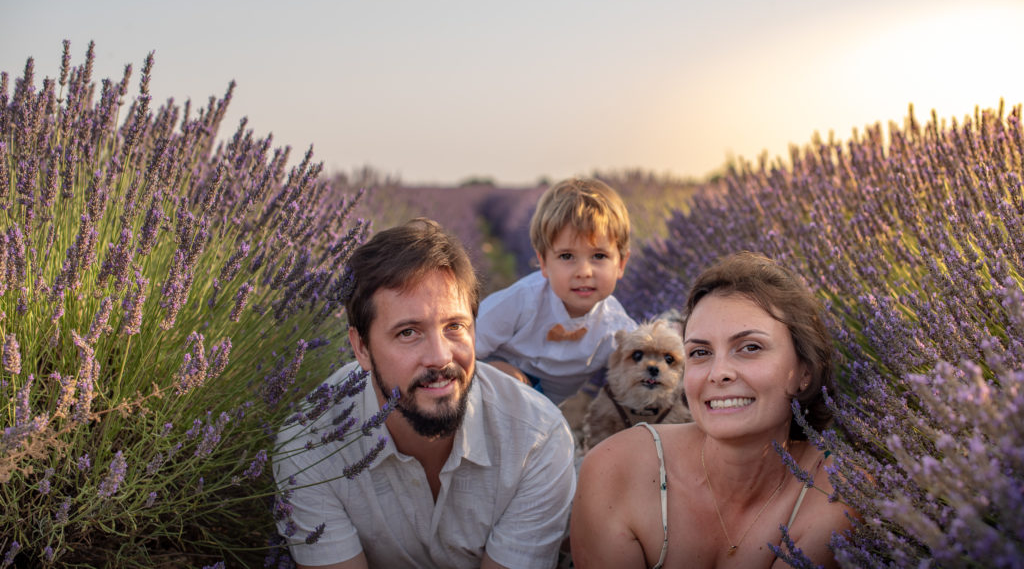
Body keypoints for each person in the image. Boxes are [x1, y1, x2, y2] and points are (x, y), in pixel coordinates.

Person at [273, 218, 577, 569]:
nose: (440, 357)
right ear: (361, 348)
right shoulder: (308, 446)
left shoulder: (536, 440)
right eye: (408, 333)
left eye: (455, 327)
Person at [570, 252, 853, 569]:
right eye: (700, 352)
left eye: (750, 347)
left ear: (805, 371)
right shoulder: (616, 471)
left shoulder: (834, 489)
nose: (718, 373)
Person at [475, 177, 637, 405]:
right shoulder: (523, 300)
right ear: (543, 263)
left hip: (543, 409)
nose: (584, 272)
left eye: (599, 256)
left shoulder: (614, 327)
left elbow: (649, 355)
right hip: (487, 388)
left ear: (621, 263)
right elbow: (465, 342)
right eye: (567, 256)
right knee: (511, 382)